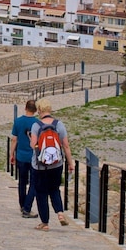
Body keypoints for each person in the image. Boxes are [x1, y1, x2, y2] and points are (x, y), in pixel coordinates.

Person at [30, 99, 75, 231]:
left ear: (39, 110)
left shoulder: (36, 126)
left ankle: (45, 223)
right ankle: (60, 213)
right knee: (54, 189)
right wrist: (70, 163)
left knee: (41, 192)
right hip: (57, 164)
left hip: (39, 165)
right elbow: (65, 145)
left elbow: (33, 145)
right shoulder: (59, 124)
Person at [10, 100, 41, 218]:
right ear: (36, 110)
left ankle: (22, 205)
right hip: (33, 157)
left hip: (21, 156)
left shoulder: (18, 121)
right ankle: (27, 207)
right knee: (34, 183)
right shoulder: (37, 123)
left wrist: (11, 154)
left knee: (22, 182)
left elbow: (14, 139)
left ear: (25, 108)